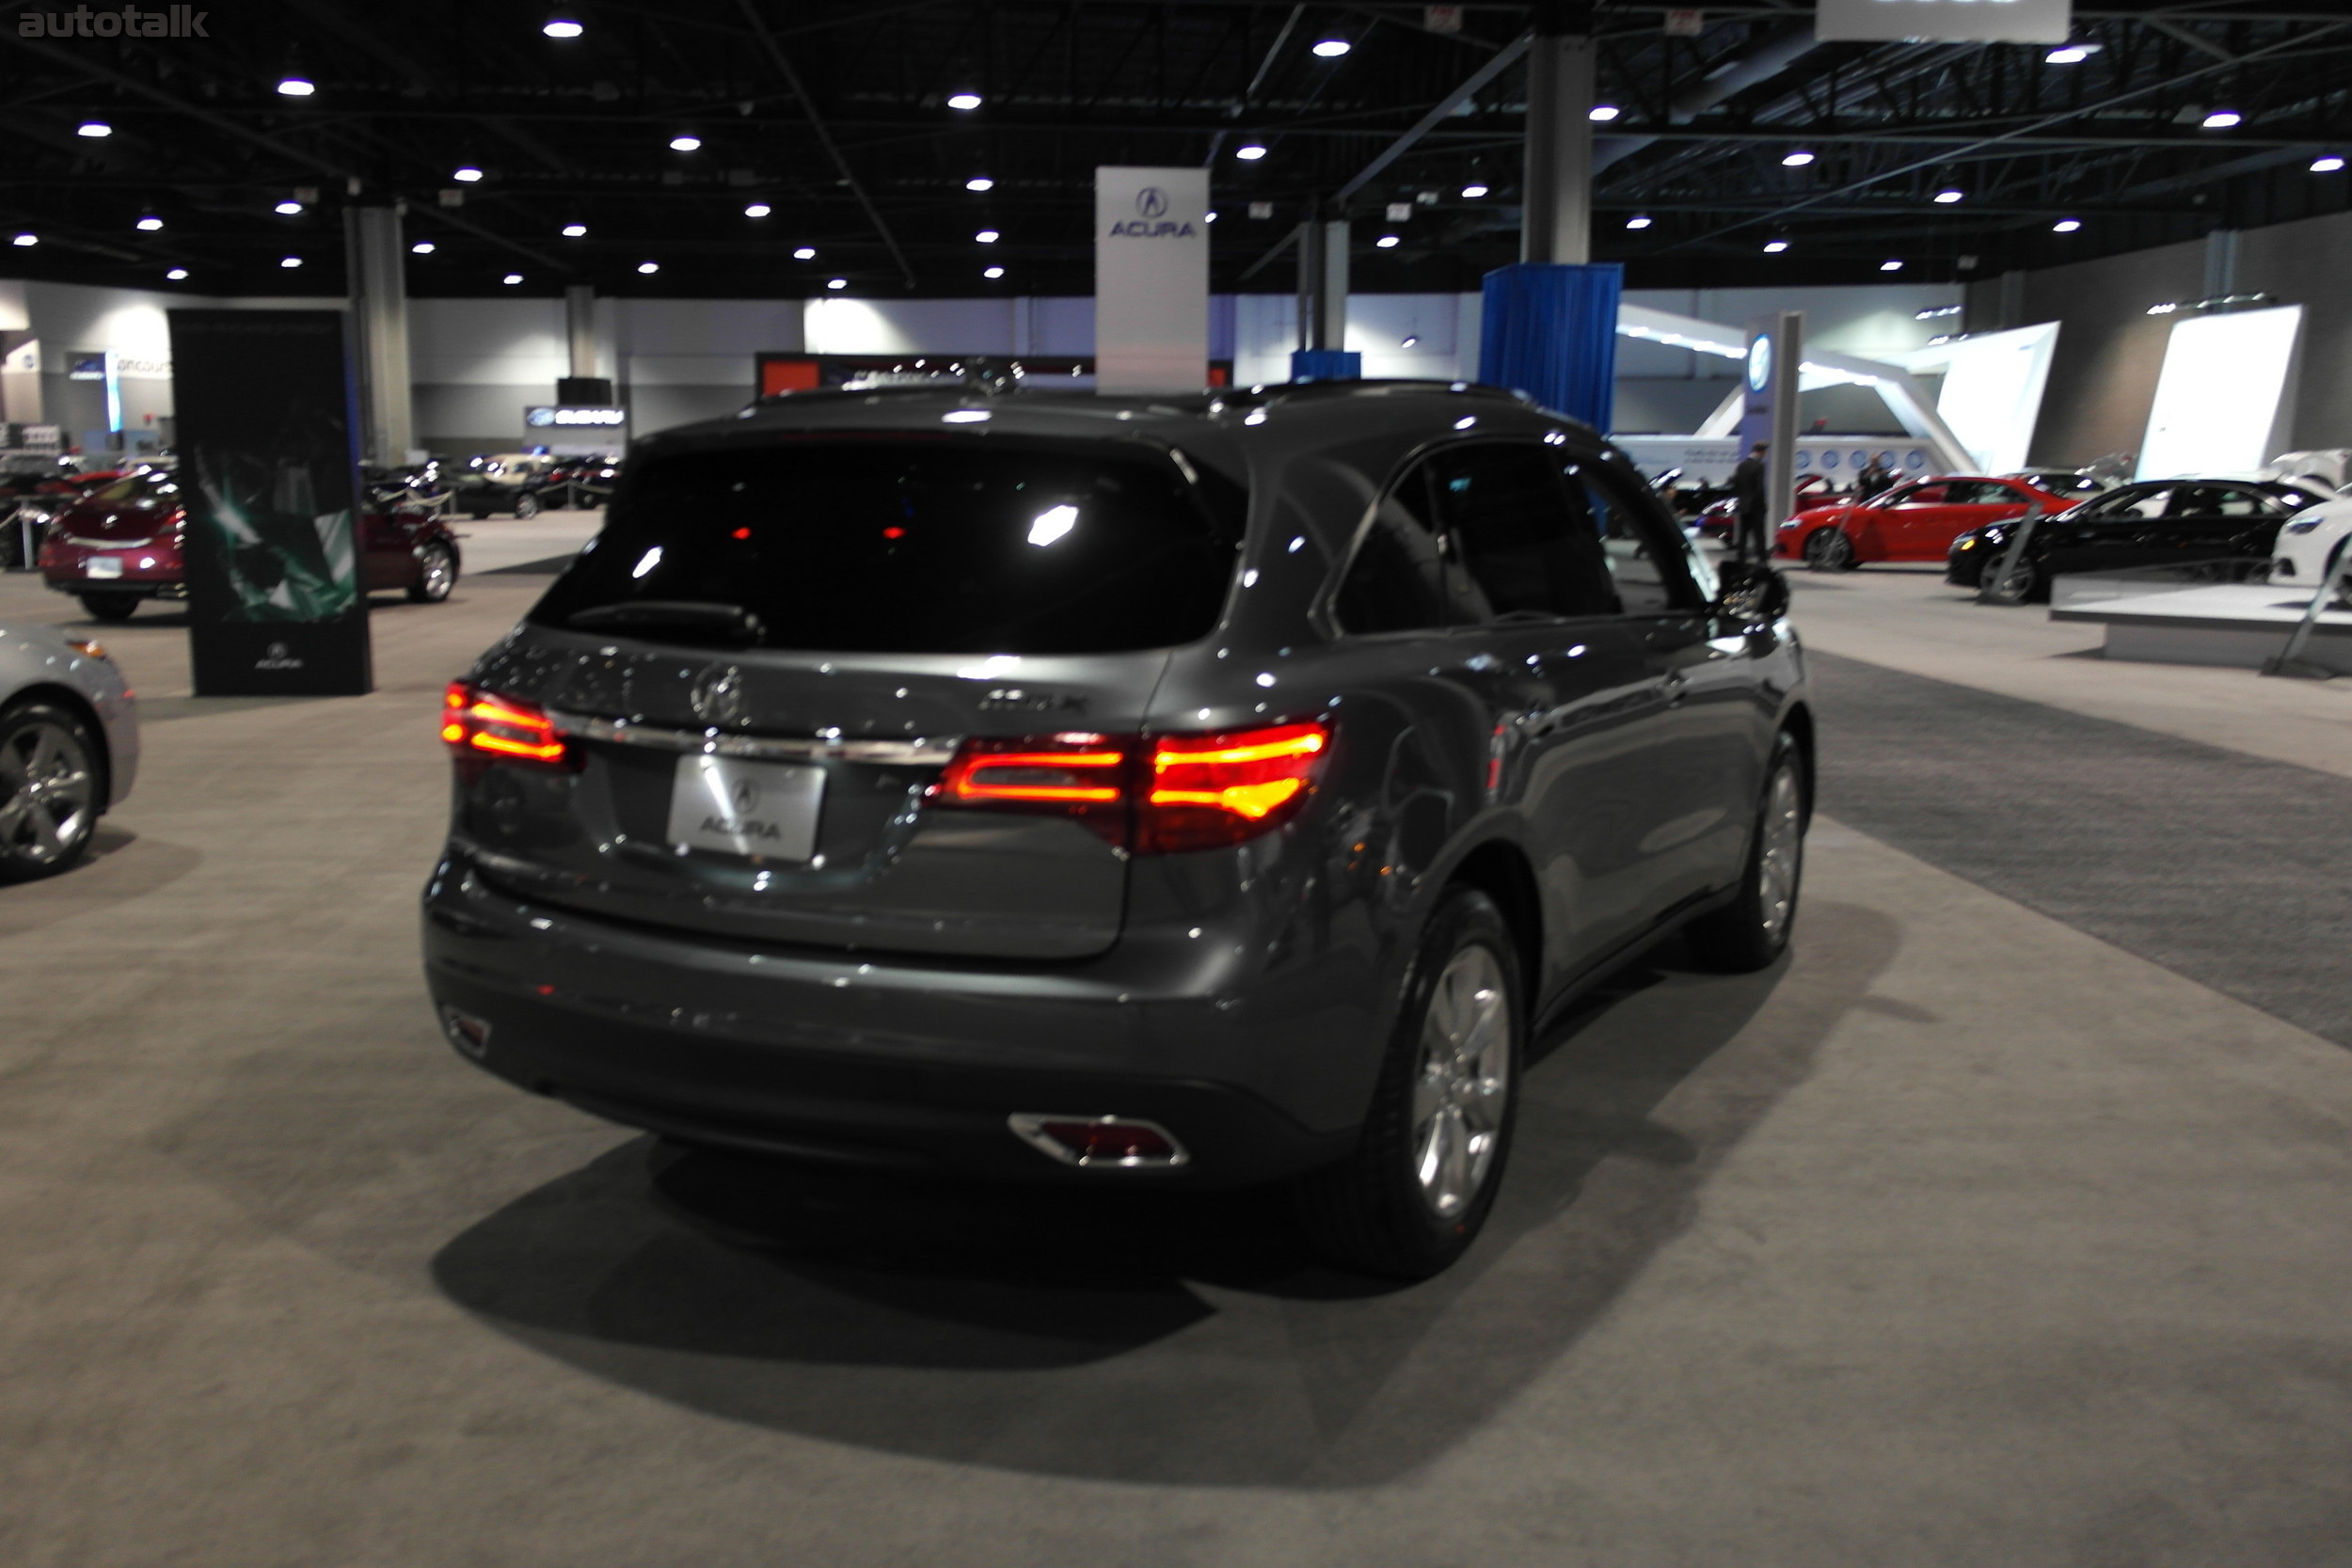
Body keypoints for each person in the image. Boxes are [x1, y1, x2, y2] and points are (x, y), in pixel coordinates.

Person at [1730, 440, 1769, 562]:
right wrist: (1762, 505)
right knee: (1759, 534)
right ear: (1761, 452)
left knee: (1743, 533)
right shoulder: (1759, 466)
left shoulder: (1741, 465)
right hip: (1756, 506)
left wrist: (1741, 499)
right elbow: (1759, 488)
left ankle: (1741, 556)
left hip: (1744, 505)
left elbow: (1735, 484)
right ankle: (1762, 558)